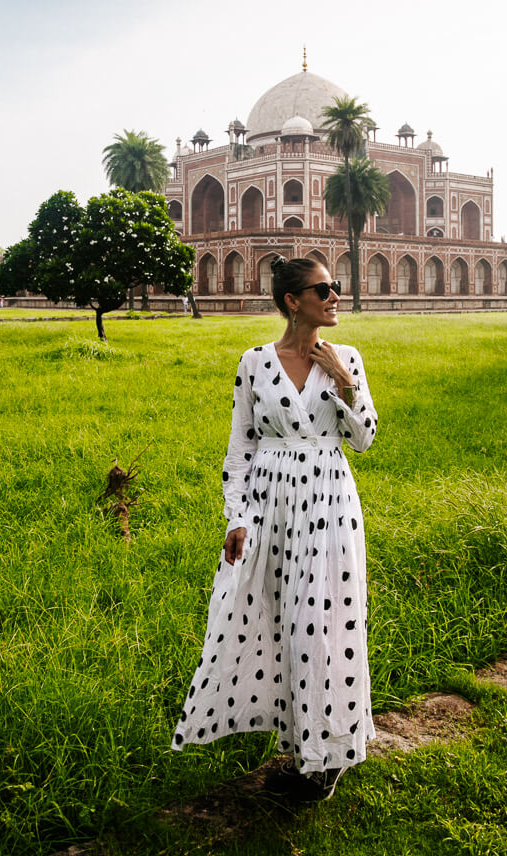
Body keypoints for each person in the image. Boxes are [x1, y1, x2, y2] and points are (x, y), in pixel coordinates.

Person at [171, 255, 378, 802]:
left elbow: (364, 440)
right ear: (292, 301)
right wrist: (236, 516)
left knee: (325, 622)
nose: (336, 296)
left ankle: (328, 754)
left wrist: (344, 381)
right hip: (270, 505)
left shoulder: (347, 357)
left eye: (336, 287)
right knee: (276, 620)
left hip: (328, 503)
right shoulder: (255, 362)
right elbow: (241, 448)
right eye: (324, 289)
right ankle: (298, 744)